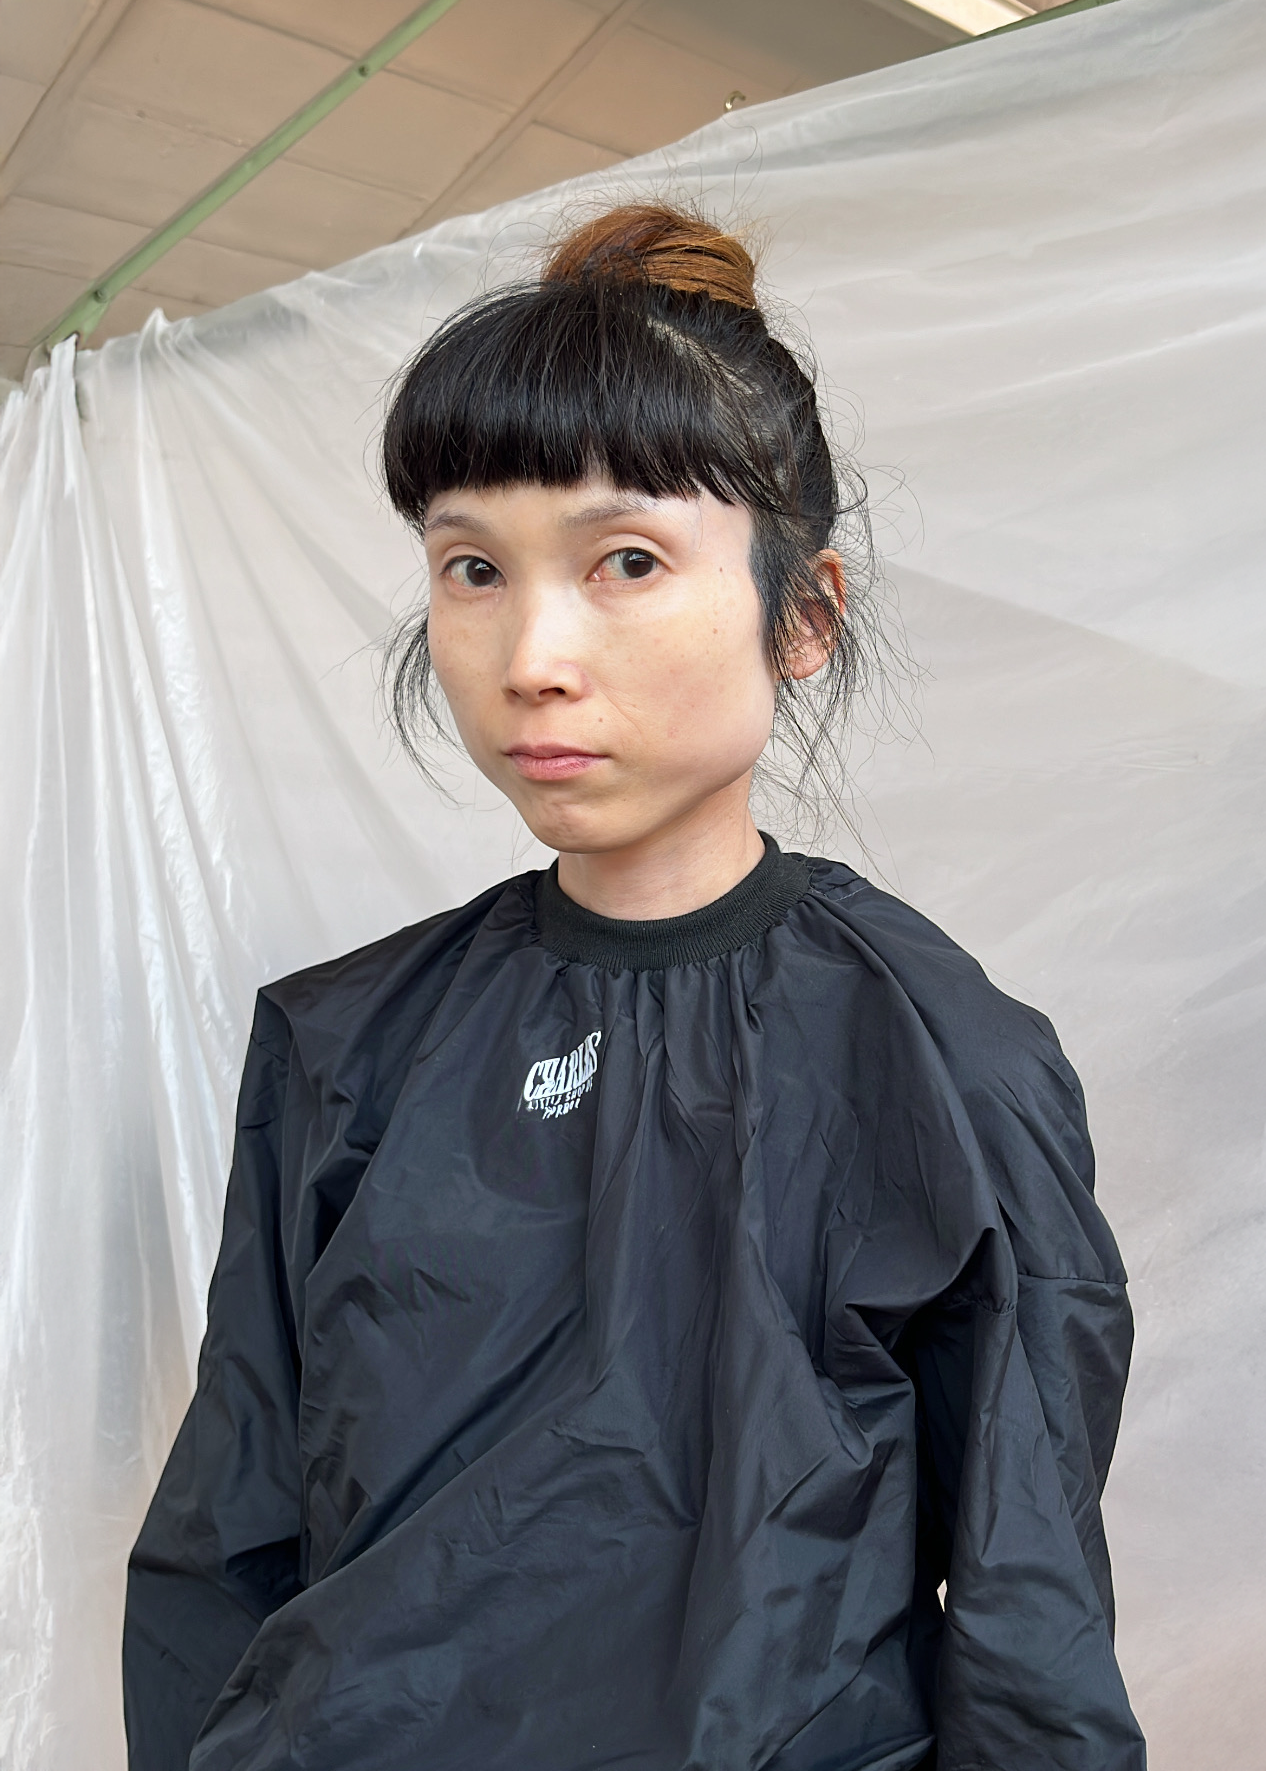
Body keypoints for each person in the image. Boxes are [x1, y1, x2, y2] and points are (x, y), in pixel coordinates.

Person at [122, 204, 1146, 1771]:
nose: (531, 653)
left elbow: (1028, 1616)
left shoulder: (942, 1062)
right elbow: (222, 1545)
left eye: (625, 561)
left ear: (802, 615)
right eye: (473, 565)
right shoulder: (342, 1044)